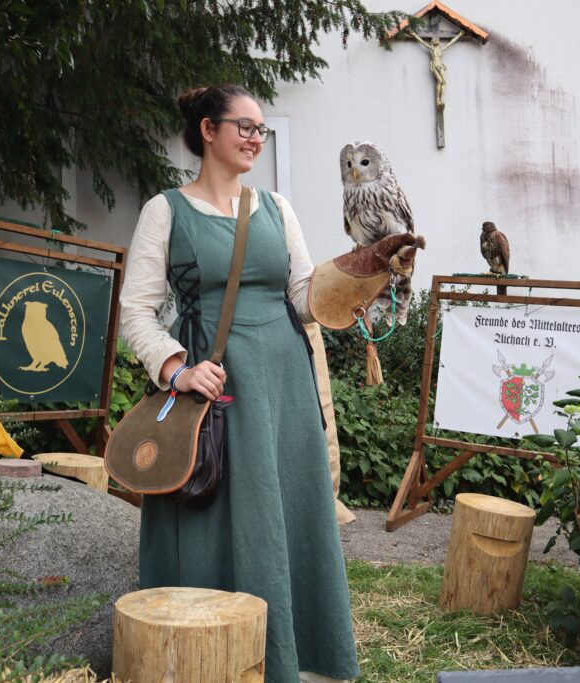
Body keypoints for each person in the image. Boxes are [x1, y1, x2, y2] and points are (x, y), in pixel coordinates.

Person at [118, 84, 361, 683]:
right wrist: (177, 368)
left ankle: (298, 659)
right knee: (213, 512)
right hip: (213, 389)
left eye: (261, 129)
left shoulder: (277, 207)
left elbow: (305, 300)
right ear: (208, 130)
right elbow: (135, 312)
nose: (256, 137)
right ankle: (206, 660)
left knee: (288, 513)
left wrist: (365, 273)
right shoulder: (166, 209)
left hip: (283, 387)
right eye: (244, 126)